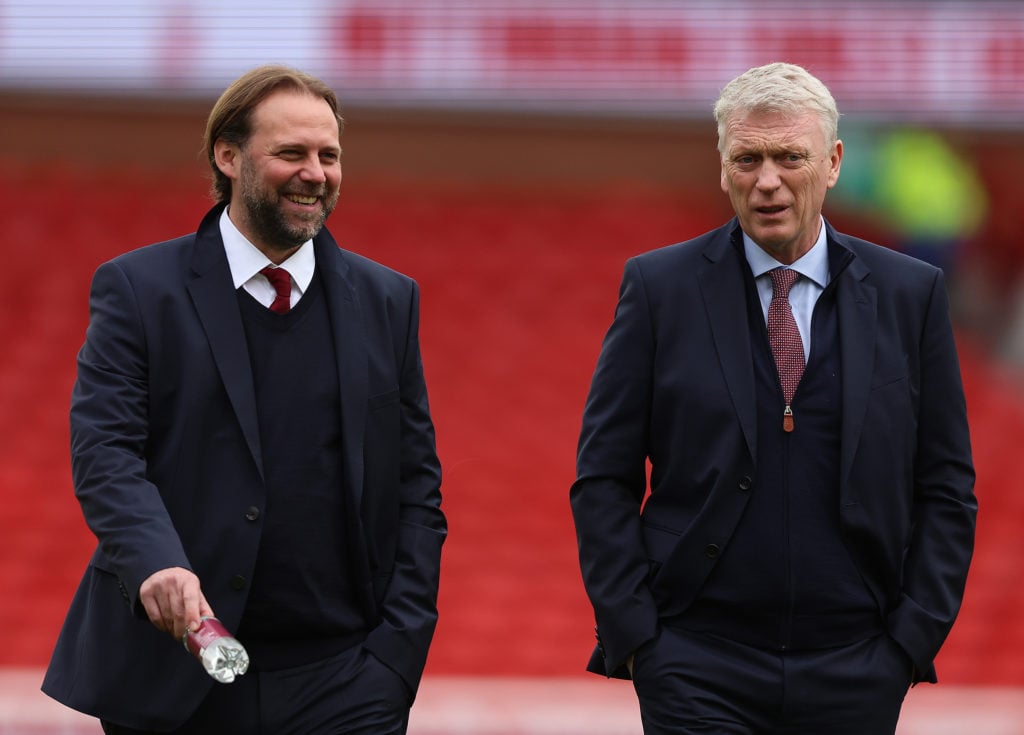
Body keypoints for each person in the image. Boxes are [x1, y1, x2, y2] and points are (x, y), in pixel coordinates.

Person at [570, 62, 976, 734]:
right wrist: (637, 634)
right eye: (747, 158)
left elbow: (946, 486)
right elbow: (603, 477)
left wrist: (910, 641)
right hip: (695, 662)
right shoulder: (658, 288)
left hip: (857, 663)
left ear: (834, 161)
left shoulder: (911, 294)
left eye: (791, 157)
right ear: (723, 165)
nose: (767, 181)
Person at [42, 64, 446, 735]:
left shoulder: (388, 300)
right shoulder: (139, 289)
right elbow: (107, 453)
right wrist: (156, 562)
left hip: (346, 682)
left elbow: (416, 485)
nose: (315, 172)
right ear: (228, 157)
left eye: (329, 154)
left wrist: (396, 658)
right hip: (177, 675)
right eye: (291, 153)